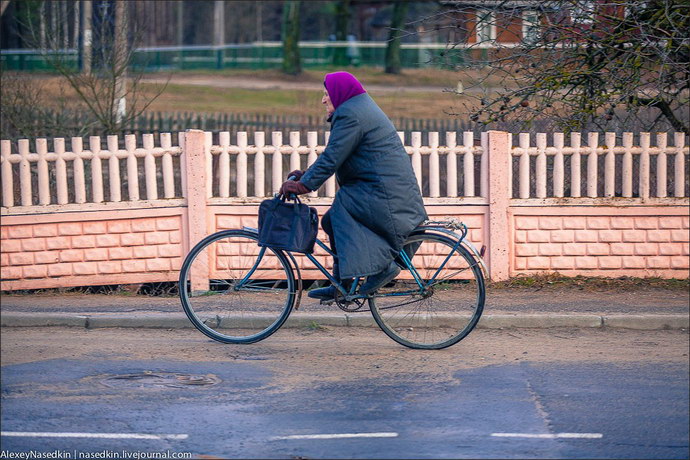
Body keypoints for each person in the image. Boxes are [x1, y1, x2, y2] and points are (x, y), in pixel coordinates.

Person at [279, 71, 427, 300]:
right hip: (383, 189)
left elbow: (332, 157)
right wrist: (305, 176)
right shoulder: (357, 109)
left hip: (382, 193)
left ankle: (381, 269)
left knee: (339, 216)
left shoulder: (350, 114)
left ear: (339, 94)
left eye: (326, 94)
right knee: (330, 221)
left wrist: (303, 186)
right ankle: (341, 283)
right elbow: (338, 154)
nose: (323, 99)